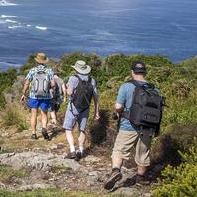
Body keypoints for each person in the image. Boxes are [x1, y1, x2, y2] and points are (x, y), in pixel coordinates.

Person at [104, 61, 162, 190]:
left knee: (119, 150)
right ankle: (140, 178)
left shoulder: (126, 86)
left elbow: (118, 107)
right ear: (145, 72)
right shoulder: (154, 88)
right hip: (147, 126)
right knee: (143, 153)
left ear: (132, 72)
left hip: (128, 125)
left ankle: (116, 171)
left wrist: (117, 111)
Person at [63, 60, 99, 160]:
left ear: (76, 69)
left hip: (73, 108)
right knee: (81, 130)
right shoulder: (92, 80)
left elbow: (69, 92)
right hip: (85, 109)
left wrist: (66, 88)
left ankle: (72, 150)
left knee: (68, 129)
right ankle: (81, 150)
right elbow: (96, 97)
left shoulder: (73, 78)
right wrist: (97, 111)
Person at [20, 52, 56, 140]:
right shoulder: (49, 71)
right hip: (45, 96)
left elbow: (27, 83)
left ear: (37, 61)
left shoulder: (32, 70)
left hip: (34, 96)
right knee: (44, 114)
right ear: (45, 61)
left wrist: (24, 93)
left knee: (34, 115)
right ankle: (44, 128)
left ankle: (33, 134)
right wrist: (47, 87)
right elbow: (53, 84)